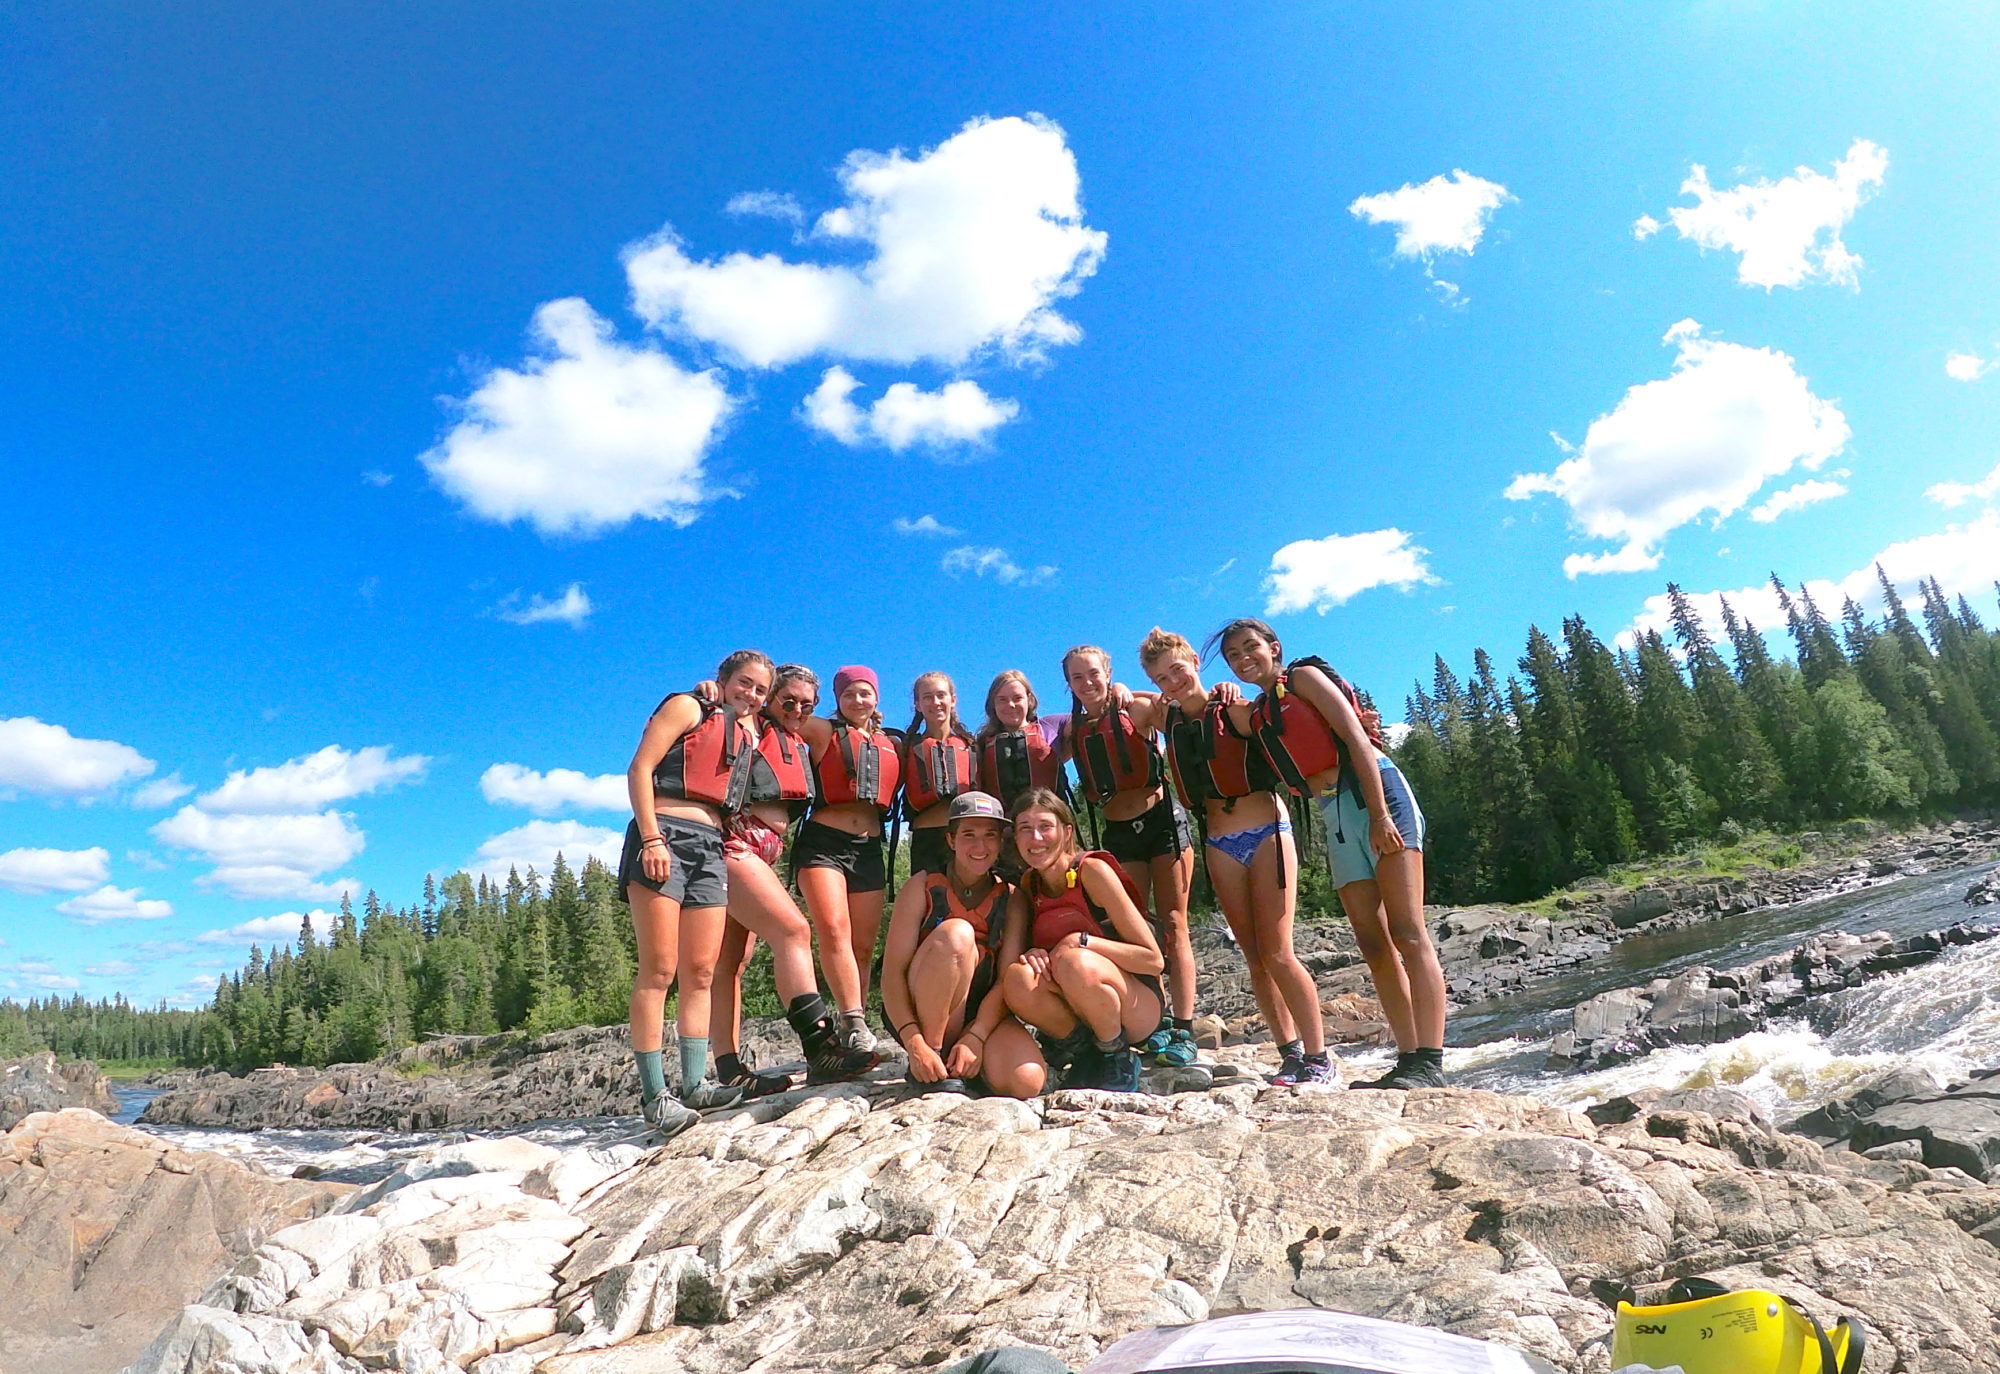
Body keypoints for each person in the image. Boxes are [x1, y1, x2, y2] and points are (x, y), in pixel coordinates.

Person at [1214, 617, 1447, 1090]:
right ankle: (1407, 1058)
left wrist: (1380, 814)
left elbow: (1357, 740)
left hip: (1375, 794)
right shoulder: (1257, 711)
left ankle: (1431, 1061)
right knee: (1372, 942)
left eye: (1250, 648)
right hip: (1333, 813)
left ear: (1273, 646)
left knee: (1407, 930)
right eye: (1233, 656)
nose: (1243, 659)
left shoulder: (1303, 677)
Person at [1136, 628, 1334, 1085]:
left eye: (1179, 669)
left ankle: (1319, 1056)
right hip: (1220, 843)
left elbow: (1277, 713)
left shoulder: (1234, 708)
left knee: (1279, 952)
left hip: (1267, 829)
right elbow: (1122, 698)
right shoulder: (1166, 718)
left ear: (1196, 664)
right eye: (1162, 678)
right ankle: (1289, 1053)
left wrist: (1230, 691)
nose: (1173, 681)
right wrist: (1146, 689)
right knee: (1254, 956)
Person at [708, 664, 878, 1093]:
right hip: (733, 844)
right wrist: (710, 691)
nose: (797, 709)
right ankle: (820, 1048)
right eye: (789, 700)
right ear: (770, 699)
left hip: (763, 855)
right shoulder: (747, 719)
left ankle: (729, 1070)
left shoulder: (800, 739)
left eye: (807, 704)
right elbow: (727, 703)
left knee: (732, 963)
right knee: (793, 931)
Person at [618, 650, 767, 1134]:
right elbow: (640, 768)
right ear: (723, 679)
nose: (751, 694)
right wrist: (653, 839)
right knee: (660, 969)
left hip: (710, 845)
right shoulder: (688, 706)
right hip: (663, 832)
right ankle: (654, 1096)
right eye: (744, 683)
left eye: (760, 690)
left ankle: (695, 1084)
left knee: (701, 972)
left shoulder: (746, 733)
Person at [1061, 645, 1198, 1069]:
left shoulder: (1134, 707)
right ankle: (1152, 1024)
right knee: (1136, 930)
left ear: (1107, 673)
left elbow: (1179, 706)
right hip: (1118, 831)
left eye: (1094, 674)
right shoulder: (1072, 731)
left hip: (1162, 821)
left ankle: (1185, 1027)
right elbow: (1040, 756)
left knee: (1174, 922)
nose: (1088, 684)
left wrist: (1130, 688)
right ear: (1068, 684)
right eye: (1077, 678)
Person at [879, 791, 1044, 1099]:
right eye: (969, 834)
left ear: (1000, 842)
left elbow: (1006, 979)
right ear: (951, 840)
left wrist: (977, 1037)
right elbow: (891, 976)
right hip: (921, 1015)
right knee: (957, 934)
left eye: (990, 835)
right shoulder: (921, 887)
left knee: (1027, 1081)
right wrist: (914, 1043)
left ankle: (966, 1066)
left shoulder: (1012, 899)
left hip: (979, 1016)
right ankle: (932, 1060)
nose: (980, 846)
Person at [1000, 787, 1166, 1092]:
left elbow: (1153, 960)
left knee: (1075, 961)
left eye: (1045, 827)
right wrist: (1034, 952)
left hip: (1136, 1006)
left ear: (1066, 832)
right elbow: (1016, 967)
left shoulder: (1092, 871)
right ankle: (1086, 1055)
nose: (1035, 839)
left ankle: (1116, 1056)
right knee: (1018, 977)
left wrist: (1082, 941)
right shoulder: (1028, 885)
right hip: (1079, 1002)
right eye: (1025, 829)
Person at [792, 664, 901, 1055]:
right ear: (837, 700)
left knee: (863, 945)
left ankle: (855, 1021)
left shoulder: (893, 743)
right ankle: (853, 1020)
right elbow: (776, 710)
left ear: (876, 697)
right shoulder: (822, 731)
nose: (858, 700)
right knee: (834, 930)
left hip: (869, 848)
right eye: (849, 694)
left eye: (865, 693)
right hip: (823, 843)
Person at [901, 671, 979, 880]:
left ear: (952, 700)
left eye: (941, 695)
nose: (935, 702)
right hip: (926, 842)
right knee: (930, 907)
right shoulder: (906, 746)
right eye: (927, 697)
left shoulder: (972, 746)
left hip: (968, 839)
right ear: (917, 704)